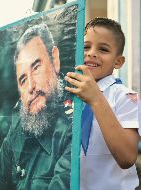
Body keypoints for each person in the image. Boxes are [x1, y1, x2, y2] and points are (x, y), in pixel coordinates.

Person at [0, 23, 72, 190]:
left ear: (54, 59)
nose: (30, 87)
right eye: (23, 80)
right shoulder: (20, 122)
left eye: (36, 68)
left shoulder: (75, 122)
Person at [64, 17, 140, 190]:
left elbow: (127, 158)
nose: (91, 53)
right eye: (85, 47)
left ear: (118, 61)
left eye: (103, 49)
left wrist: (96, 98)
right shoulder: (67, 93)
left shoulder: (126, 97)